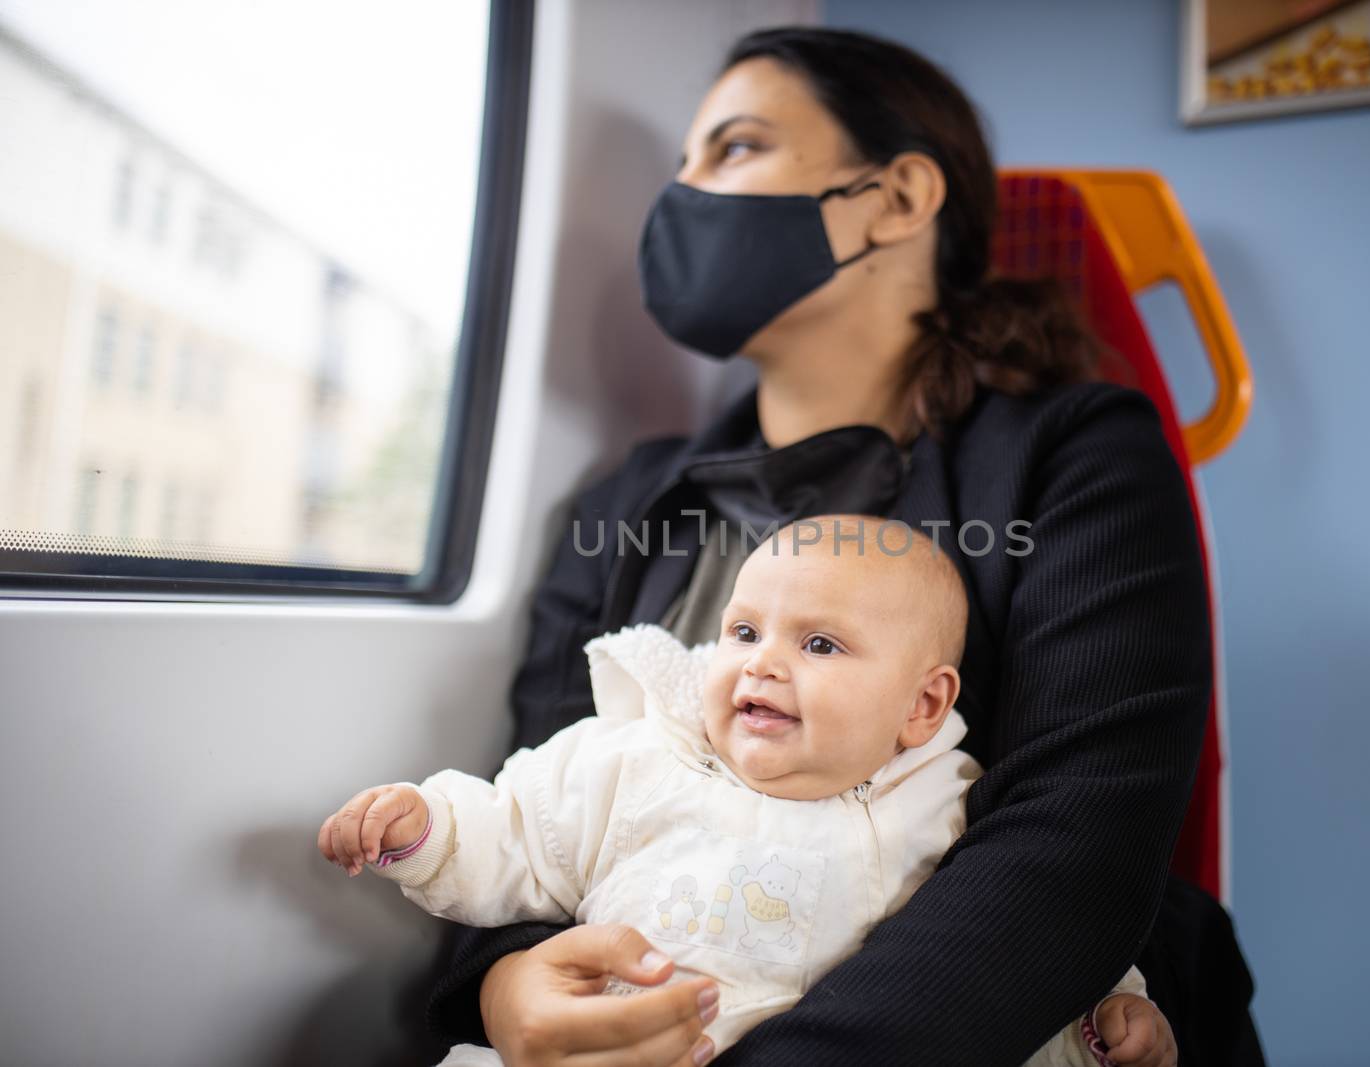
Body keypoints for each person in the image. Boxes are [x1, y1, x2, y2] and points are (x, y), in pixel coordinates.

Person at [420, 24, 1265, 1067]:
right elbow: (538, 783)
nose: (682, 199)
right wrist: (506, 977)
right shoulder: (633, 497)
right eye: (681, 166)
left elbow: (1075, 840)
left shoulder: (1078, 451)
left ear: (899, 197)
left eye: (733, 150)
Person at [321, 518, 1174, 1067]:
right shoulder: (638, 757)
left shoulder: (946, 812)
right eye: (744, 630)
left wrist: (1097, 1027)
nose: (763, 661)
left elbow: (1007, 960)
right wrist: (426, 827)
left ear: (922, 706)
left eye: (822, 645)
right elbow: (514, 830)